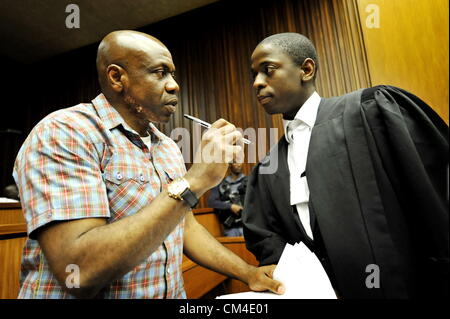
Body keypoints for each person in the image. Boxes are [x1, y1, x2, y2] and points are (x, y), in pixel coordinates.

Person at [12, 30, 284, 299]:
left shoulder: (167, 147)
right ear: (117, 77)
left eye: (173, 74)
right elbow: (80, 271)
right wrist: (195, 180)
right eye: (159, 72)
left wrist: (248, 273)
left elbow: (185, 228)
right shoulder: (67, 132)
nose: (174, 84)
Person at [242, 32, 449, 298]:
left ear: (306, 69)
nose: (257, 83)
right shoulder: (268, 165)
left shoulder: (371, 111)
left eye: (268, 70)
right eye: (254, 75)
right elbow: (264, 234)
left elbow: (434, 193)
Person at [208, 162, 247, 237]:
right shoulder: (221, 184)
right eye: (235, 162)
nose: (238, 164)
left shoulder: (249, 181)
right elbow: (211, 202)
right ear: (229, 164)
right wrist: (230, 206)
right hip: (230, 228)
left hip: (247, 225)